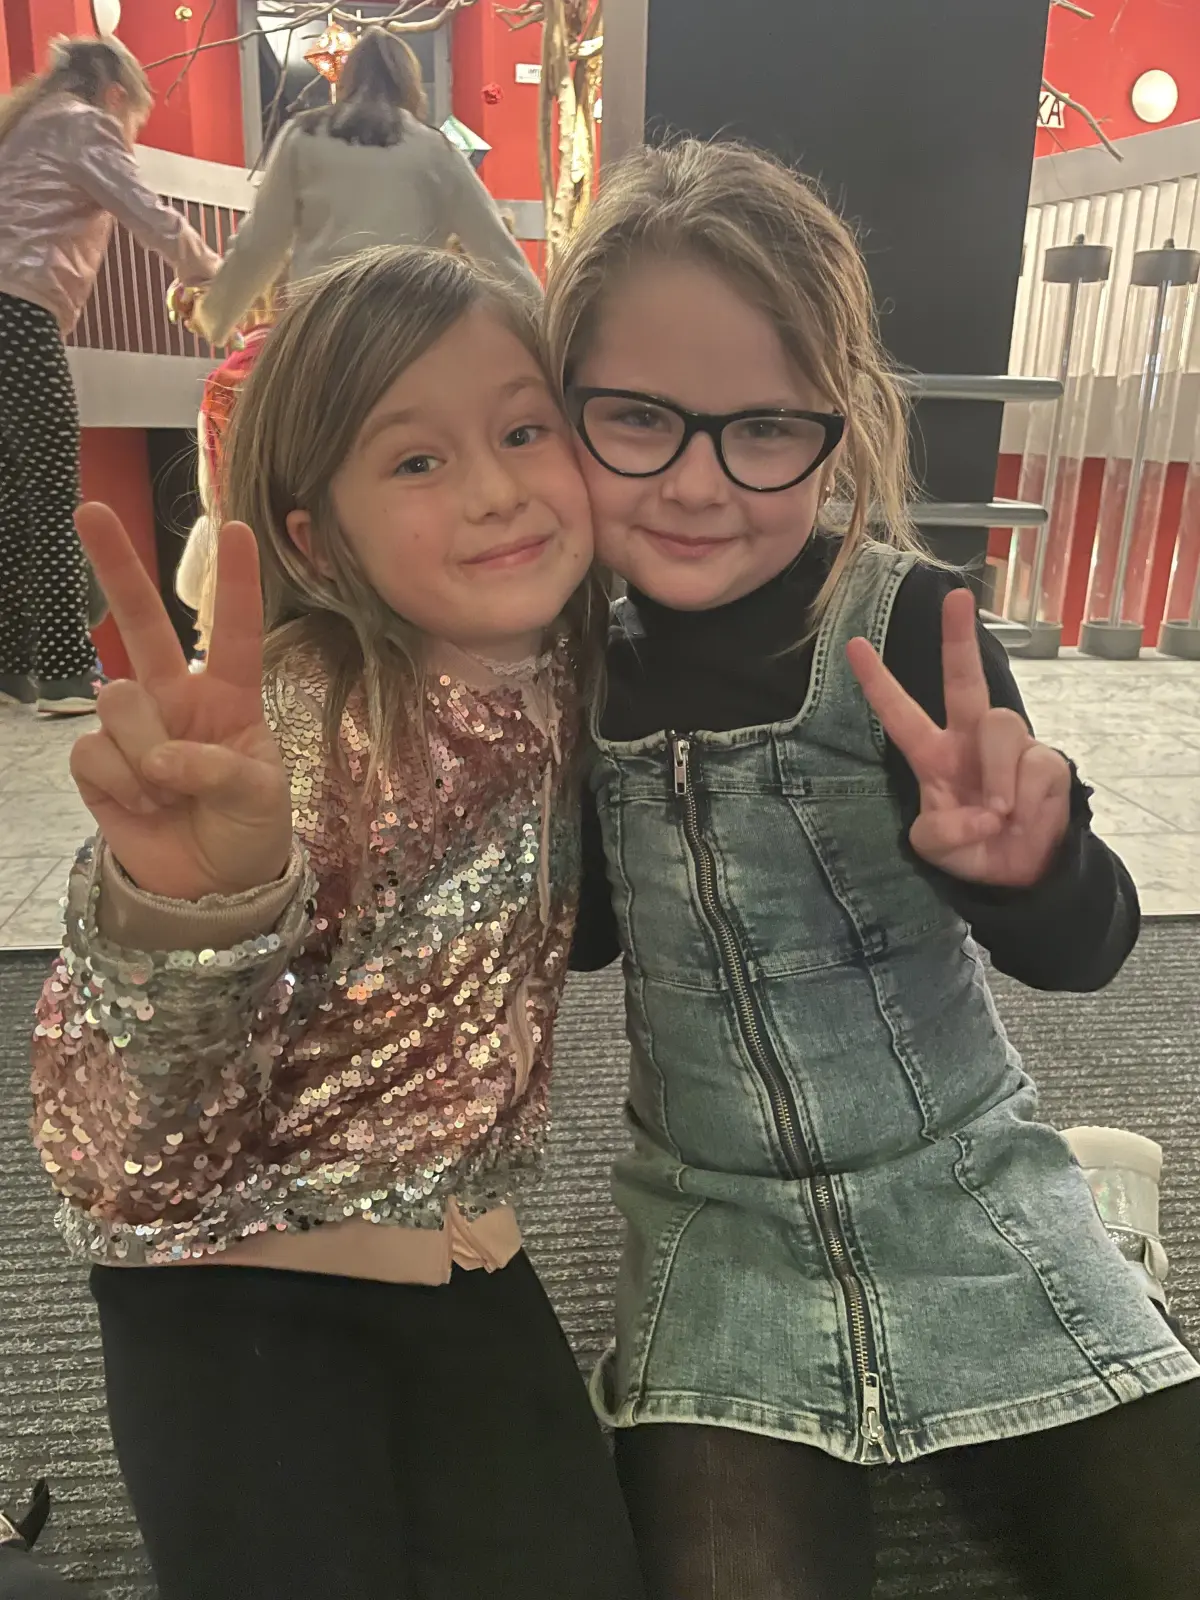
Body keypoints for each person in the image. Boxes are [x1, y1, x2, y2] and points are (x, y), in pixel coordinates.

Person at [545, 140, 1200, 1600]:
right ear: (564, 407)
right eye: (639, 418)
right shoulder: (567, 661)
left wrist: (1034, 867)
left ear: (837, 429)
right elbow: (583, 941)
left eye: (765, 428)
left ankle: (1101, 1226)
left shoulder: (915, 631)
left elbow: (1086, 949)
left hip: (966, 1171)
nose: (700, 482)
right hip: (713, 1215)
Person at [30, 247, 641, 1600]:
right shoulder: (293, 724)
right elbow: (117, 1151)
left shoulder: (574, 663)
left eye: (525, 430)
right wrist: (186, 913)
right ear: (315, 539)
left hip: (457, 1243)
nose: (497, 490)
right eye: (416, 461)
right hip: (225, 1272)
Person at [0, 36, 219, 717]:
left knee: (13, 495)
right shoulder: (82, 123)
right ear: (116, 95)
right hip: (17, 313)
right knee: (52, 494)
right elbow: (148, 213)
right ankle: (67, 673)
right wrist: (216, 277)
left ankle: (12, 664)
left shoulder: (26, 127)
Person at [191, 26, 537, 349]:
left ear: (347, 79)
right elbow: (497, 251)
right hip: (406, 332)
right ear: (409, 83)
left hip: (320, 324)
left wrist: (215, 316)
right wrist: (548, 330)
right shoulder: (436, 151)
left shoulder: (304, 135)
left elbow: (260, 242)